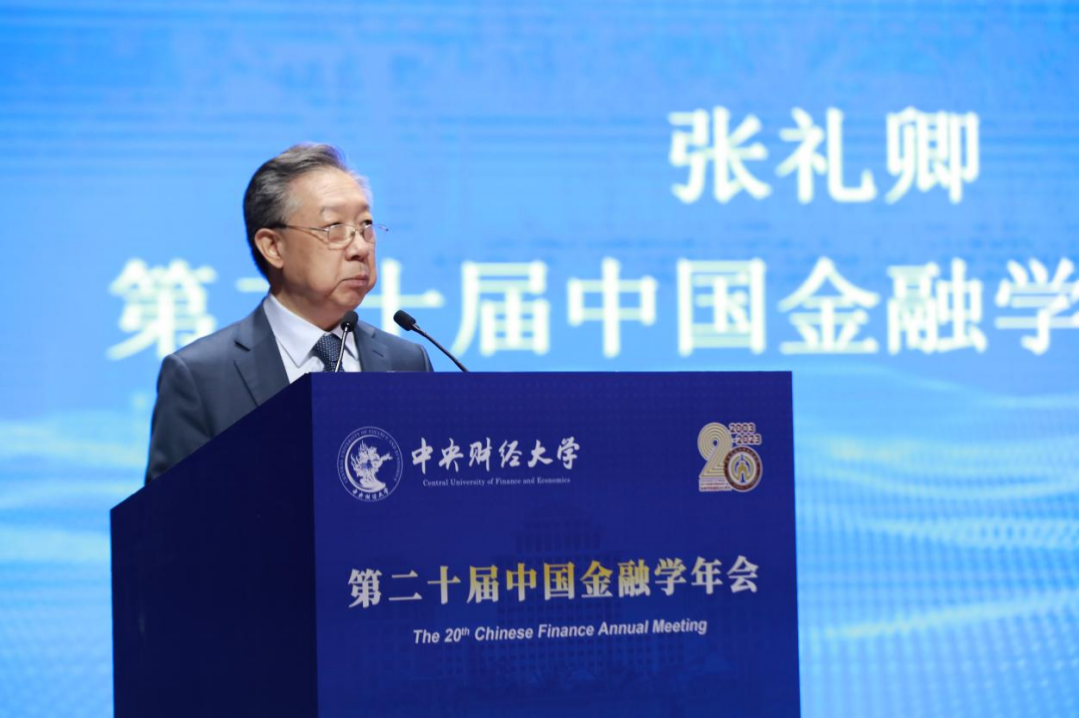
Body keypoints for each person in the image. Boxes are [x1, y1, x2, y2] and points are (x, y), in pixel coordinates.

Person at [144, 143, 432, 483]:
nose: (359, 247)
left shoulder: (407, 362)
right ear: (273, 247)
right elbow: (172, 514)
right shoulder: (200, 377)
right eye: (334, 228)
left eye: (365, 225)